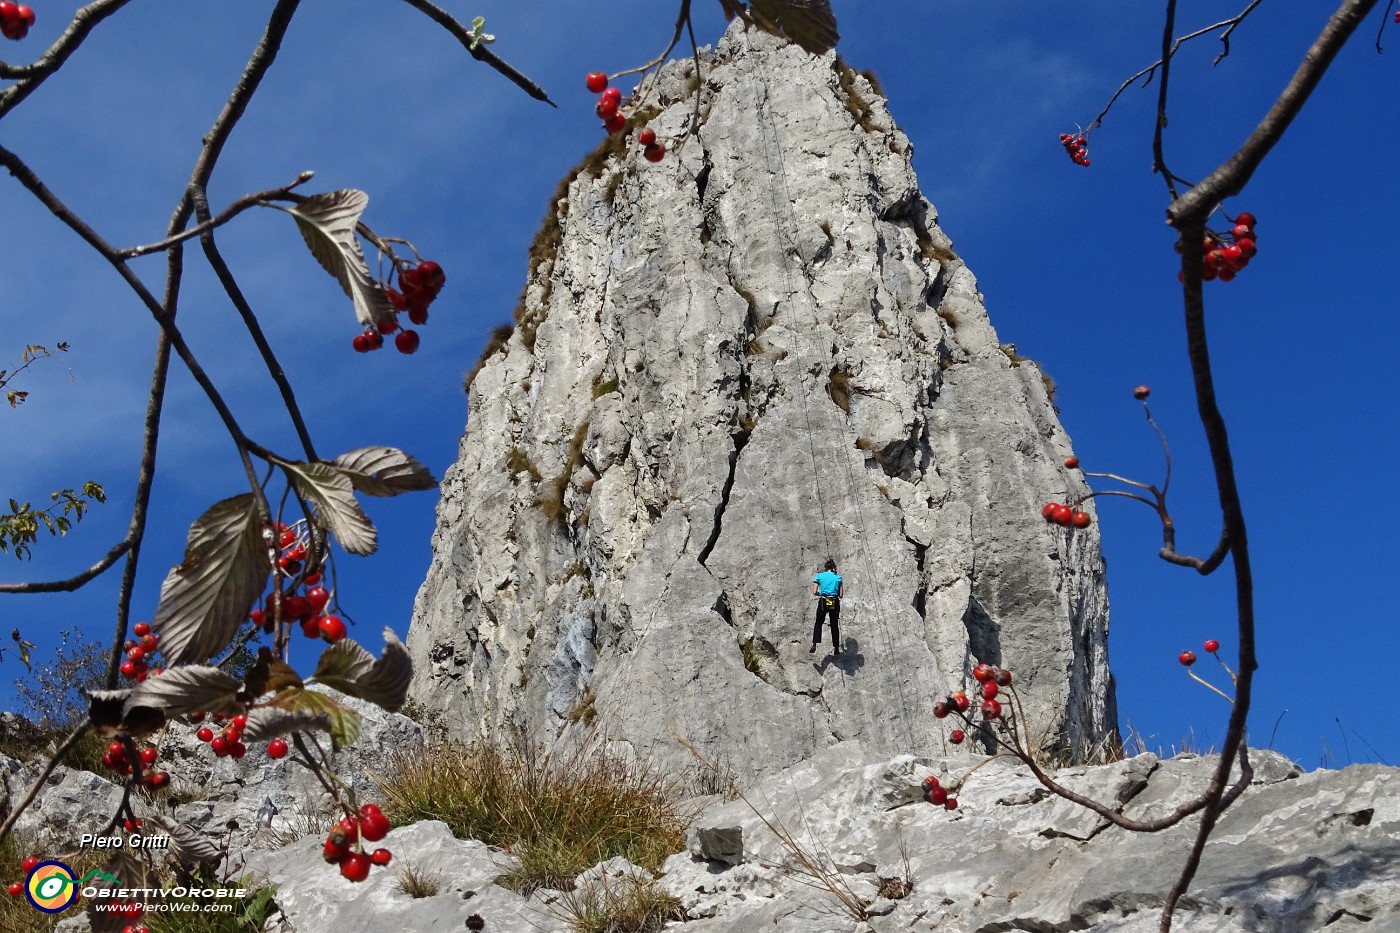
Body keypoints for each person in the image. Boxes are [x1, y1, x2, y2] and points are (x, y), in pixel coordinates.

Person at [810, 558, 843, 654]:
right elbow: (841, 595)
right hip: (834, 601)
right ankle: (836, 648)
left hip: (823, 600)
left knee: (818, 622)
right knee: (834, 625)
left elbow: (814, 591)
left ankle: (814, 644)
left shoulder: (819, 576)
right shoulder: (838, 578)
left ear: (825, 567)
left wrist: (819, 594)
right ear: (833, 567)